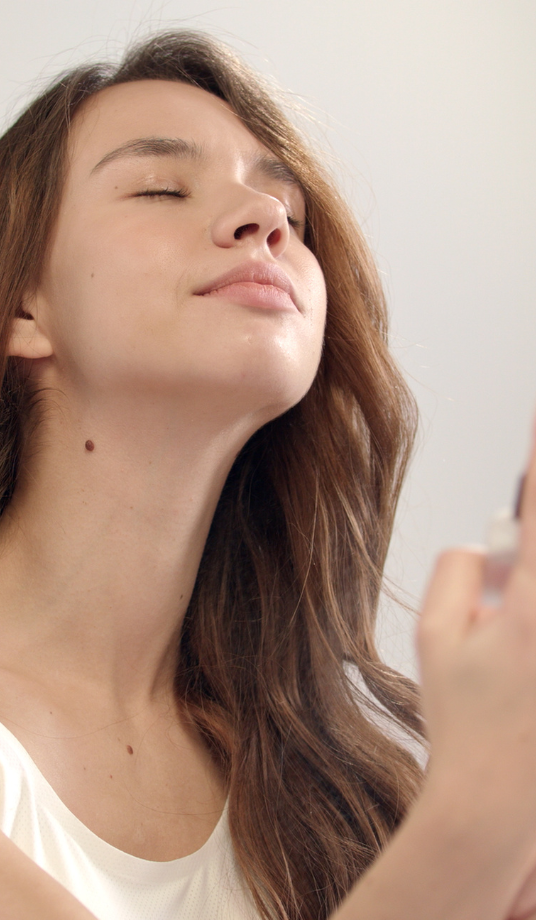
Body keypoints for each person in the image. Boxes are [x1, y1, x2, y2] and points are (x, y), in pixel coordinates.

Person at [0, 28, 535, 920]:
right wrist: (477, 819)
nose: (266, 220)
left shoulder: (346, 805)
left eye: (286, 205)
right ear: (23, 306)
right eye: (161, 187)